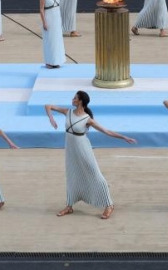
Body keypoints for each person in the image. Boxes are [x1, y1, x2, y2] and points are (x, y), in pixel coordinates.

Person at [45, 91, 137, 219]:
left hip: (83, 148)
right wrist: (51, 118)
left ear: (80, 101)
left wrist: (123, 137)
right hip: (71, 149)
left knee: (95, 173)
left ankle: (109, 204)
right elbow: (48, 106)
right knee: (72, 175)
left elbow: (106, 131)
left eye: (75, 98)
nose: (72, 99)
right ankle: (69, 205)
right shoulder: (68, 112)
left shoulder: (87, 119)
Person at [40, 0, 82, 69]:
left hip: (57, 18)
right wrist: (44, 22)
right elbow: (41, 10)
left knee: (57, 40)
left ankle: (57, 61)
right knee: (49, 41)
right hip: (48, 18)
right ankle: (49, 62)